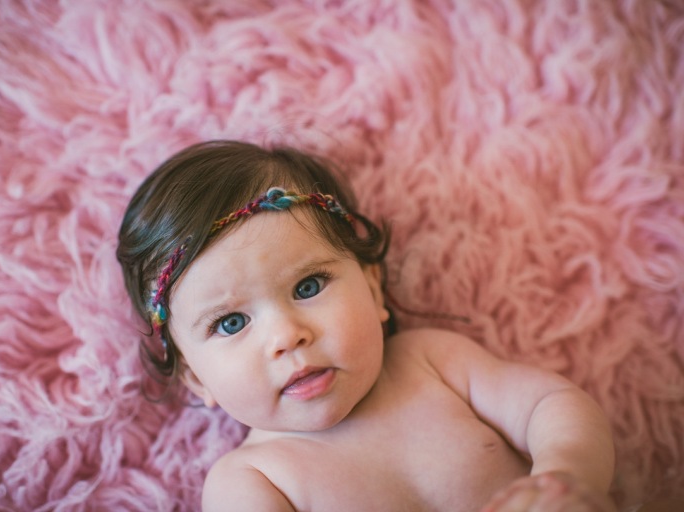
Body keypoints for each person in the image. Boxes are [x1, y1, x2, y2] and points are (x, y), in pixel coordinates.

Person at [116, 140, 616, 512]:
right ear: (196, 378)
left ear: (373, 289)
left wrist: (565, 475)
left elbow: (551, 405)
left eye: (308, 286)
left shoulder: (432, 362)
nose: (287, 335)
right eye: (231, 322)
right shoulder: (251, 482)